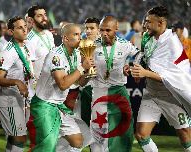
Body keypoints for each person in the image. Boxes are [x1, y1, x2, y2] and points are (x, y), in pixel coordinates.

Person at [131, 6, 191, 152]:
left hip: (171, 96)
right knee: (140, 134)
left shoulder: (173, 44)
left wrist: (146, 73)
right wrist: (136, 66)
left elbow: (174, 76)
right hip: (151, 94)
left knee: (185, 136)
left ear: (161, 23)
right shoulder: (148, 38)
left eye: (149, 22)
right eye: (145, 21)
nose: (145, 25)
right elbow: (147, 57)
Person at [27, 23, 94, 152]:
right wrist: (82, 68)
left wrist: (88, 72)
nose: (80, 37)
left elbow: (79, 83)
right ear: (66, 38)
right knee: (45, 148)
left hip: (59, 106)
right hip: (44, 106)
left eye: (80, 34)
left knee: (78, 140)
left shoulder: (75, 55)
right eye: (76, 34)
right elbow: (63, 85)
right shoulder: (56, 55)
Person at [90, 16, 140, 152]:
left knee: (123, 129)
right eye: (101, 30)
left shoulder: (125, 45)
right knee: (98, 132)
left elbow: (140, 56)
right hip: (99, 92)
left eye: (108, 30)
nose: (104, 33)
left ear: (116, 29)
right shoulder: (91, 45)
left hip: (118, 92)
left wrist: (132, 66)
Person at [0, 16, 35, 152]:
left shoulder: (28, 45)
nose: (24, 30)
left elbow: (30, 68)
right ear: (11, 32)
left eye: (25, 26)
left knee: (15, 139)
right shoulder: (8, 51)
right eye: (19, 27)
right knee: (20, 138)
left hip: (23, 98)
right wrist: (17, 82)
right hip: (9, 99)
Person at [27, 5, 55, 79]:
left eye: (45, 15)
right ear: (31, 20)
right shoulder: (30, 40)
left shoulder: (49, 34)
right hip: (40, 85)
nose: (44, 18)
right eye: (39, 16)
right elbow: (30, 69)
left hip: (53, 83)